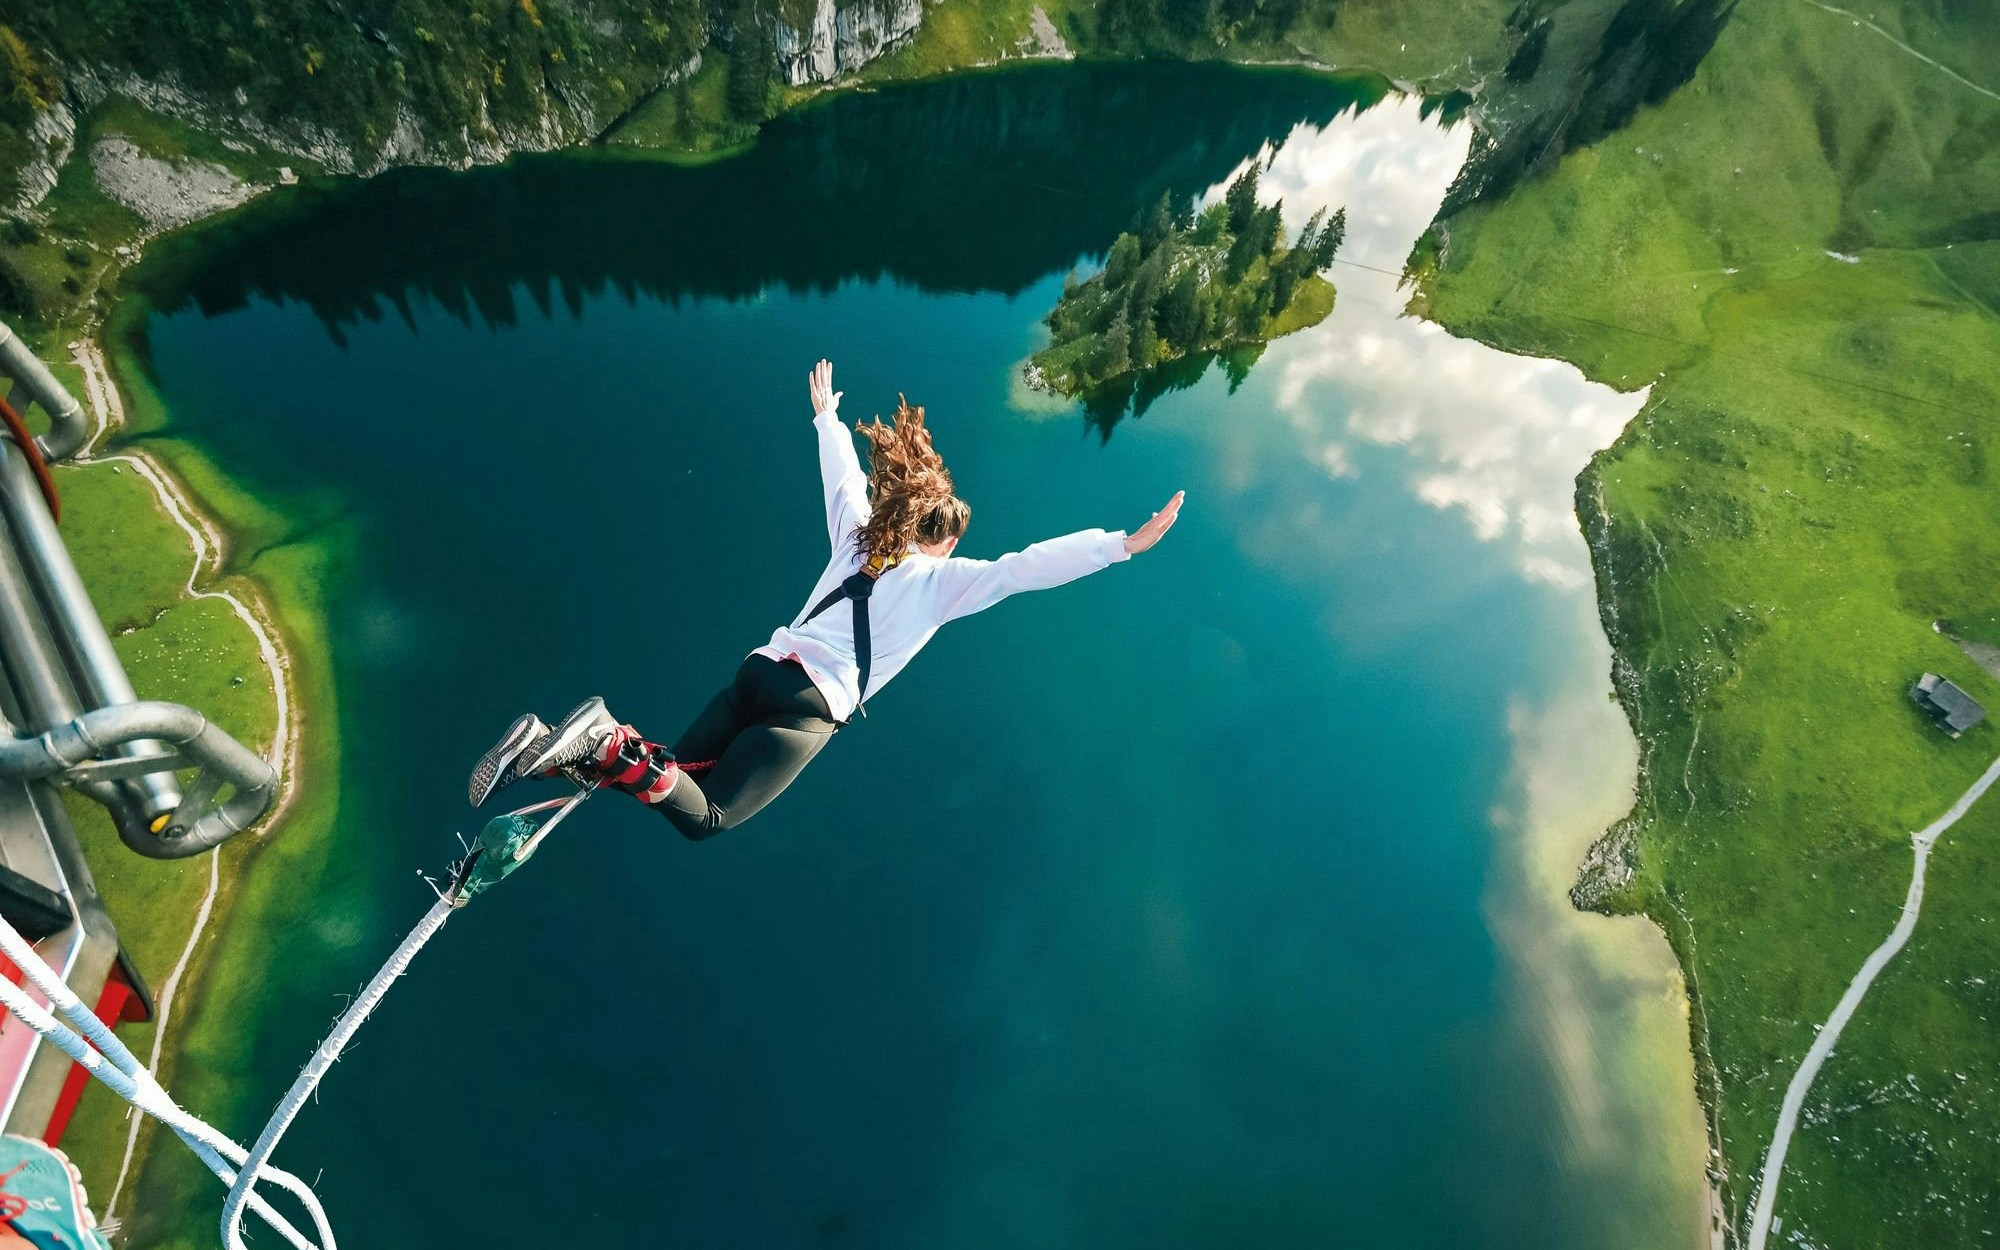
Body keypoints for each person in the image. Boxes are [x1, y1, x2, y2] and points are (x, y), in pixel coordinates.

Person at [469, 359, 1182, 839]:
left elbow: (843, 479)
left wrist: (827, 419)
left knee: (671, 775)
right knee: (707, 815)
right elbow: (1025, 568)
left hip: (759, 668)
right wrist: (1118, 544)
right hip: (807, 707)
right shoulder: (942, 583)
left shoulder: (857, 538)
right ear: (939, 539)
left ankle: (562, 752)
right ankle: (604, 741)